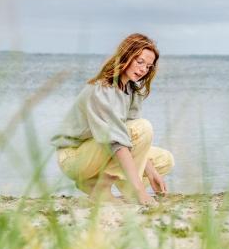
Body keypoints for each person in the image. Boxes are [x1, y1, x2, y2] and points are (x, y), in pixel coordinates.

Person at [51, 33, 174, 206]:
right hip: (74, 157)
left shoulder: (131, 90)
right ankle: (106, 187)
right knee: (143, 128)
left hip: (101, 150)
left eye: (148, 66)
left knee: (164, 160)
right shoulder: (101, 89)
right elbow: (117, 142)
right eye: (140, 62)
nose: (143, 70)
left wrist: (152, 173)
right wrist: (140, 190)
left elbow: (133, 140)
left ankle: (100, 185)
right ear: (126, 56)